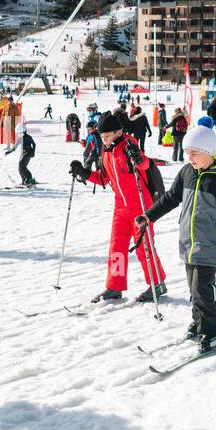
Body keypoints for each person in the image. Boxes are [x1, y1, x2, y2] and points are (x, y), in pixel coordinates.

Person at [136, 125, 216, 353]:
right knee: (193, 288)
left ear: (210, 152)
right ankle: (198, 322)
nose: (189, 158)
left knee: (202, 288)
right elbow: (171, 198)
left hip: (211, 243)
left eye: (194, 153)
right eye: (187, 153)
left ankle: (212, 332)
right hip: (188, 241)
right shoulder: (187, 172)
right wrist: (148, 216)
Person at [68, 112, 167, 304]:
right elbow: (104, 179)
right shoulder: (107, 153)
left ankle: (158, 283)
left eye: (106, 136)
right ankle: (115, 286)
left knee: (144, 247)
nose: (103, 141)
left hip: (141, 206)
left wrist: (138, 158)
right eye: (102, 137)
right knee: (117, 247)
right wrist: (84, 172)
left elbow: (145, 165)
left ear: (118, 132)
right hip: (121, 207)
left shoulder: (129, 145)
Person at [5, 122, 36, 187]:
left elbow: (14, 148)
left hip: (26, 153)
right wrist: (33, 152)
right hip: (28, 153)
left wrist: (7, 152)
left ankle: (29, 179)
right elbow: (34, 144)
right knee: (21, 167)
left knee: (21, 165)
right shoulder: (29, 137)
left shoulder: (20, 138)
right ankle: (24, 180)